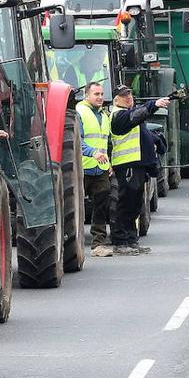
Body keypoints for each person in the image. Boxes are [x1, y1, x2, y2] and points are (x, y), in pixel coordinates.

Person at [108, 86, 169, 255]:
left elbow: (141, 132)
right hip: (126, 164)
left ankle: (131, 240)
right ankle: (120, 242)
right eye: (124, 96)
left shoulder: (129, 113)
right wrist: (154, 104)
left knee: (135, 204)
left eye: (130, 94)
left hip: (136, 165)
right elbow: (135, 116)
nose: (129, 97)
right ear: (115, 100)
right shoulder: (118, 115)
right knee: (125, 203)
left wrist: (156, 140)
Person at [75, 83, 113, 255]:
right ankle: (74, 246)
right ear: (87, 95)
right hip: (81, 167)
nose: (100, 97)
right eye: (96, 94)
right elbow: (76, 141)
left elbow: (104, 142)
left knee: (101, 207)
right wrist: (92, 153)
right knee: (77, 209)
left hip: (101, 169)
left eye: (102, 93)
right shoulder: (79, 112)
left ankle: (98, 245)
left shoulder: (104, 115)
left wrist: (108, 161)